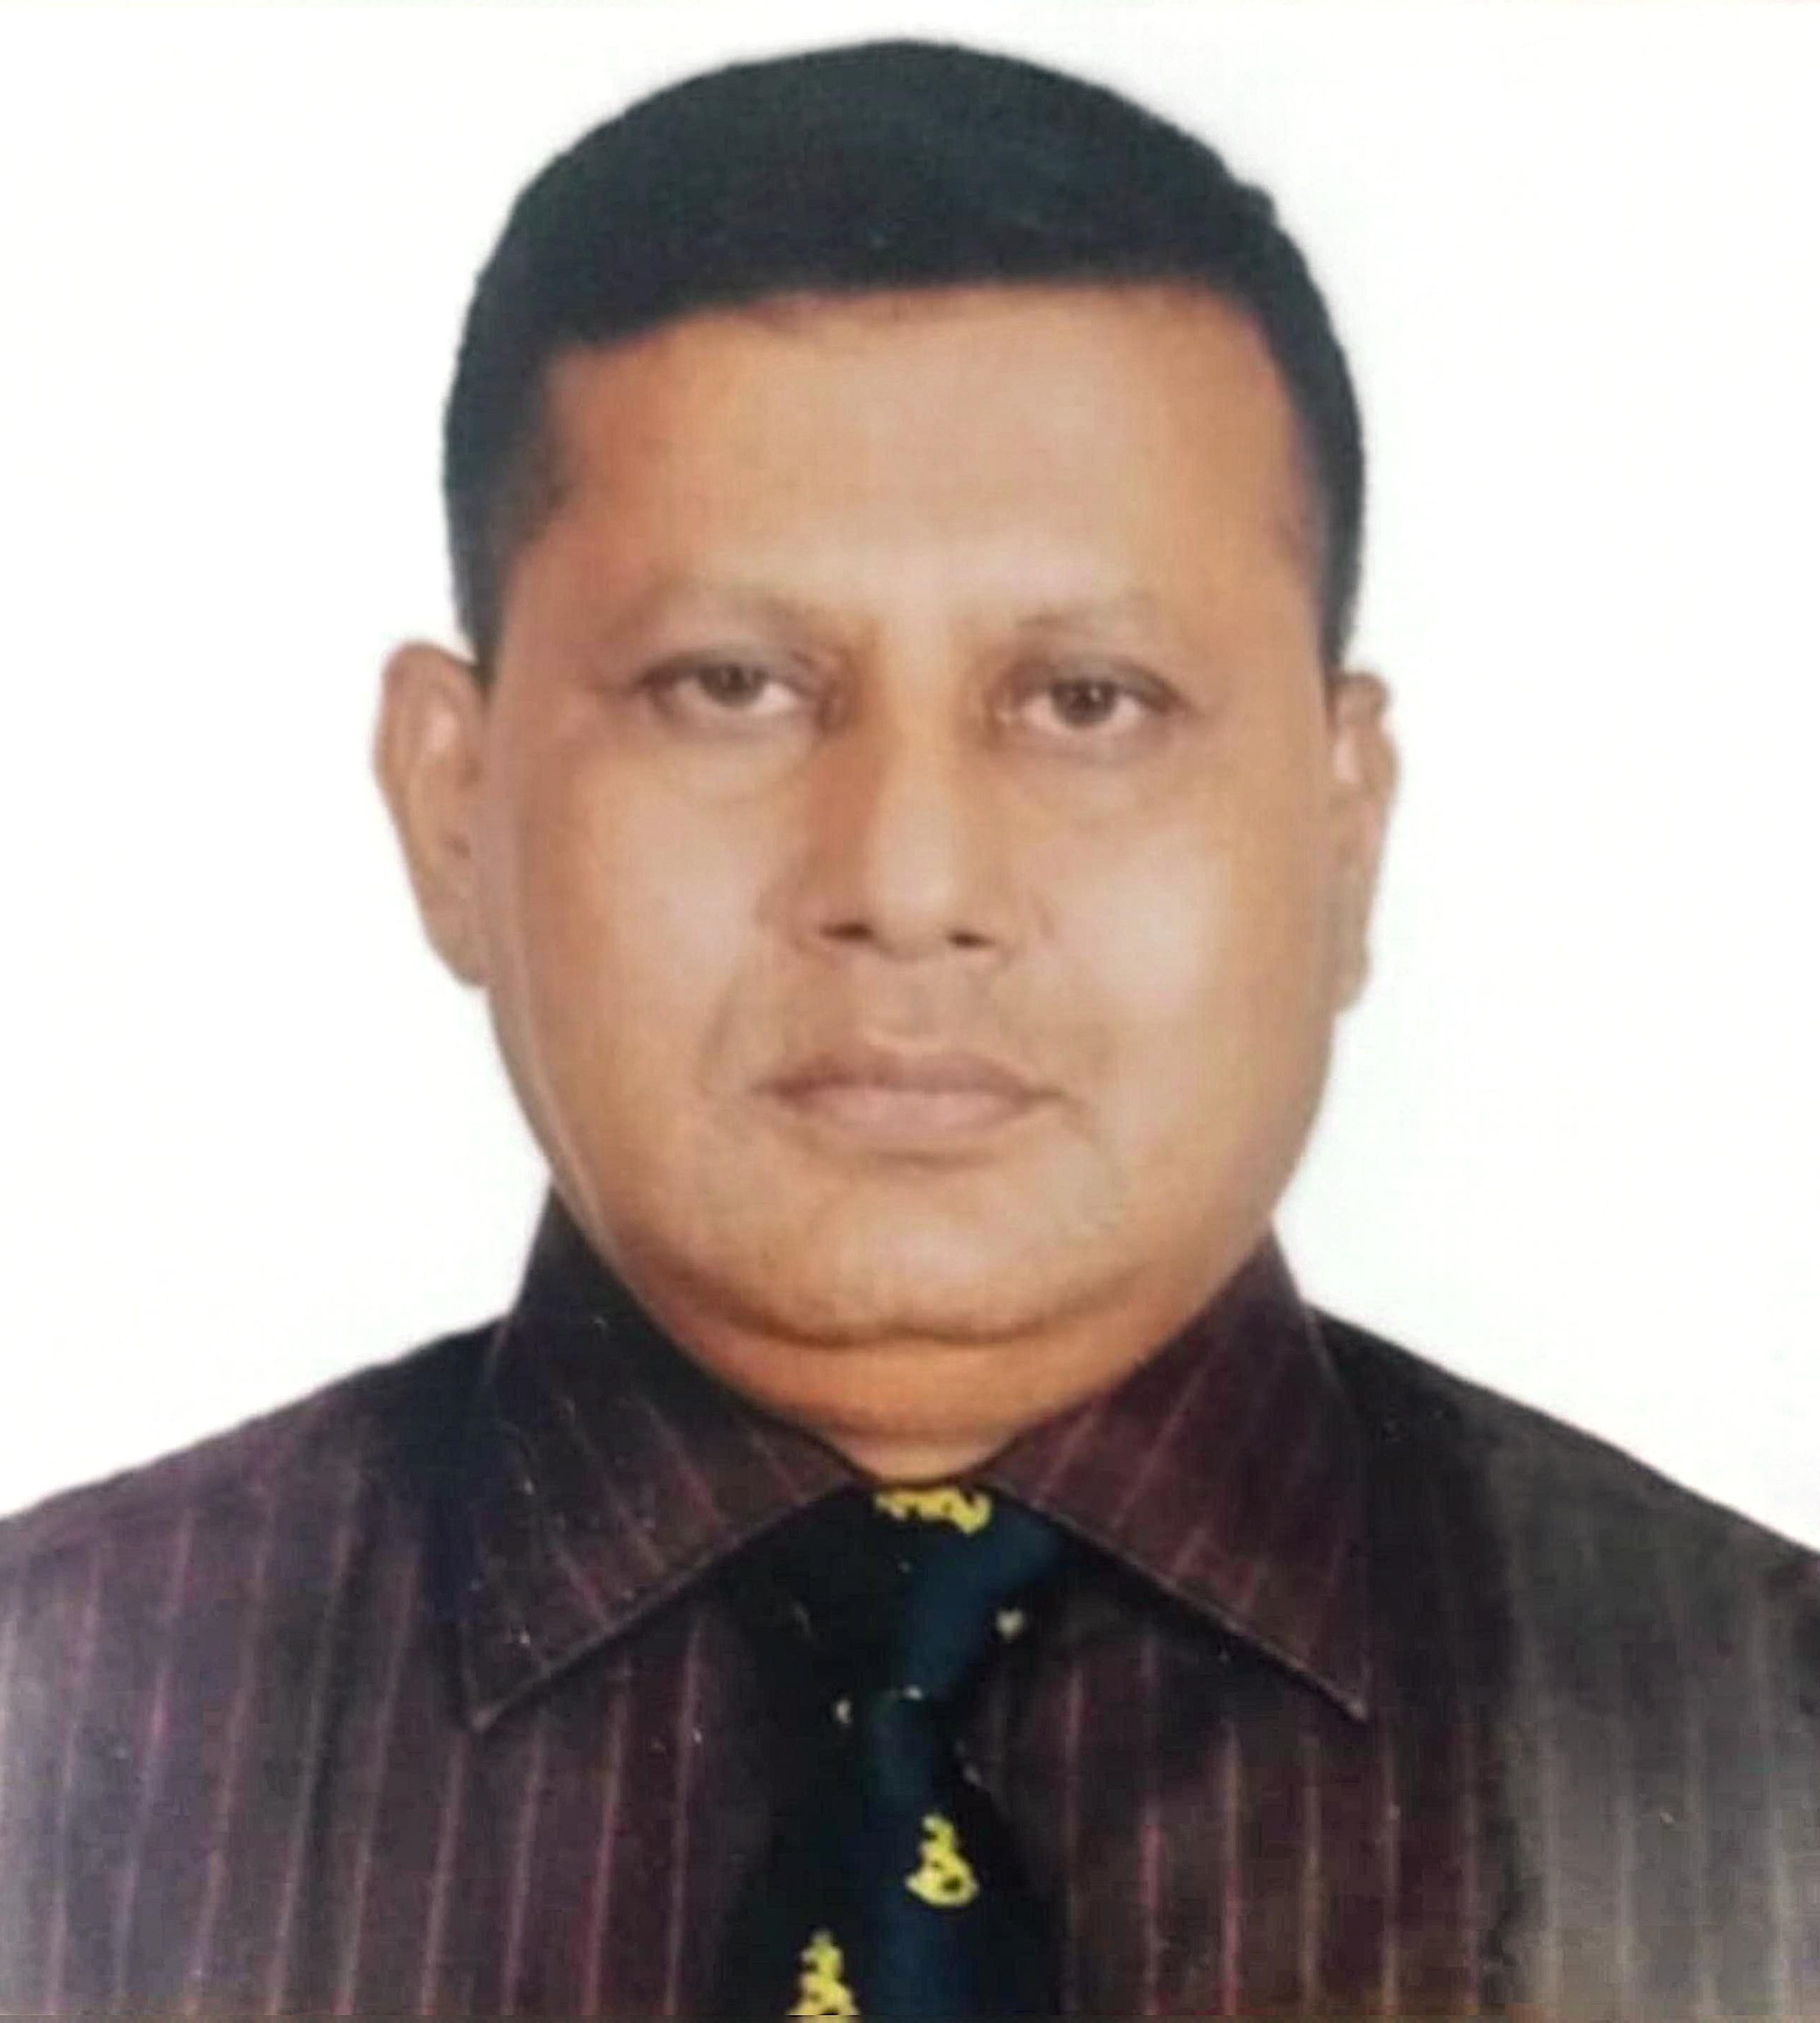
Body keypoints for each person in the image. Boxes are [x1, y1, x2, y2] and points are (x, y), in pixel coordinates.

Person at [0, 35, 1814, 2019]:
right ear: (452, 803)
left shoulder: (1771, 1760)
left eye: (1089, 701)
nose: (909, 877)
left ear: (1343, 827)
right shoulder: (52, 1734)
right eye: (731, 686)